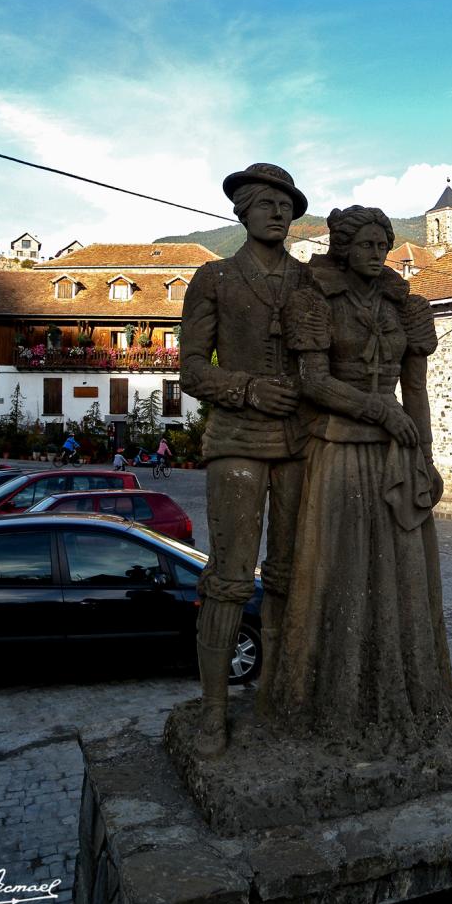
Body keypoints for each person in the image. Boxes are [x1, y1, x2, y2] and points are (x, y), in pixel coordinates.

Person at [271, 205, 452, 753]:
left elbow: (416, 388)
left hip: (396, 452)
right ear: (344, 248)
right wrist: (378, 412)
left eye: (383, 245)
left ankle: (407, 691)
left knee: (403, 574)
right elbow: (312, 381)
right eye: (366, 245)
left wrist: (425, 455)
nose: (376, 254)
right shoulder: (314, 300)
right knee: (341, 568)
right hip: (341, 450)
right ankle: (332, 699)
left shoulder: (408, 306)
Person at [180, 162, 313, 759]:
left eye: (286, 203)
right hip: (236, 437)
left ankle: (280, 697)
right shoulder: (215, 278)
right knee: (231, 578)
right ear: (240, 211)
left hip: (299, 442)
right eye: (266, 202)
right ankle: (214, 710)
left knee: (289, 575)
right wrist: (247, 389)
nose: (279, 211)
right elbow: (190, 370)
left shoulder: (313, 282)